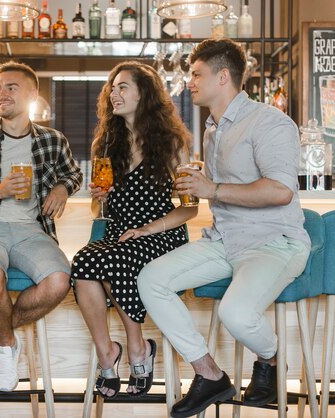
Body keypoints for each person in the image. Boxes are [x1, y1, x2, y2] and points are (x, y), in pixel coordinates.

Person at [137, 39, 310, 418]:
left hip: (273, 243)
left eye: (197, 74)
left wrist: (211, 187)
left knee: (235, 314)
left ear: (224, 76)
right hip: (223, 241)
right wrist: (198, 184)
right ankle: (209, 373)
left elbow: (281, 191)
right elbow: (220, 192)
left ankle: (270, 358)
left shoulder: (270, 122)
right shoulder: (213, 130)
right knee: (150, 279)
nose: (191, 82)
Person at [0, 61, 82, 392]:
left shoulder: (52, 140)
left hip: (31, 233)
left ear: (33, 94)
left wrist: (63, 188)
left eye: (11, 87)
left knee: (59, 281)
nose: (1, 93)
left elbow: (74, 174)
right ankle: (7, 346)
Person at [71, 61, 196, 399]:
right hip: (120, 234)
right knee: (82, 262)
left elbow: (190, 207)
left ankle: (137, 347)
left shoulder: (172, 143)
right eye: (112, 87)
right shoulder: (106, 144)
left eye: (123, 86)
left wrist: (148, 229)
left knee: (115, 258)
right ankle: (107, 353)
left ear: (145, 94)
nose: (114, 92)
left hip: (162, 234)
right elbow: (100, 209)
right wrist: (98, 197)